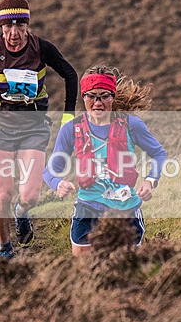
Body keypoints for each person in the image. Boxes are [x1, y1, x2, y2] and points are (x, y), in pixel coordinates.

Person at [0, 0, 78, 260]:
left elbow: (70, 74)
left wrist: (68, 116)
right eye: (8, 27)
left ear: (28, 25)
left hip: (34, 127)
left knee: (30, 196)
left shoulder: (41, 48)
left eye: (20, 26)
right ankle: (5, 247)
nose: (14, 33)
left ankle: (22, 213)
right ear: (0, 27)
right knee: (2, 193)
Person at [43, 66, 166, 256]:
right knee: (83, 264)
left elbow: (158, 153)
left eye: (104, 96)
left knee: (127, 265)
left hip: (125, 209)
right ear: (83, 97)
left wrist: (150, 181)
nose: (98, 103)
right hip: (88, 207)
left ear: (113, 97)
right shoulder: (71, 129)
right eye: (91, 96)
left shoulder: (131, 125)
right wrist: (57, 184)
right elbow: (50, 170)